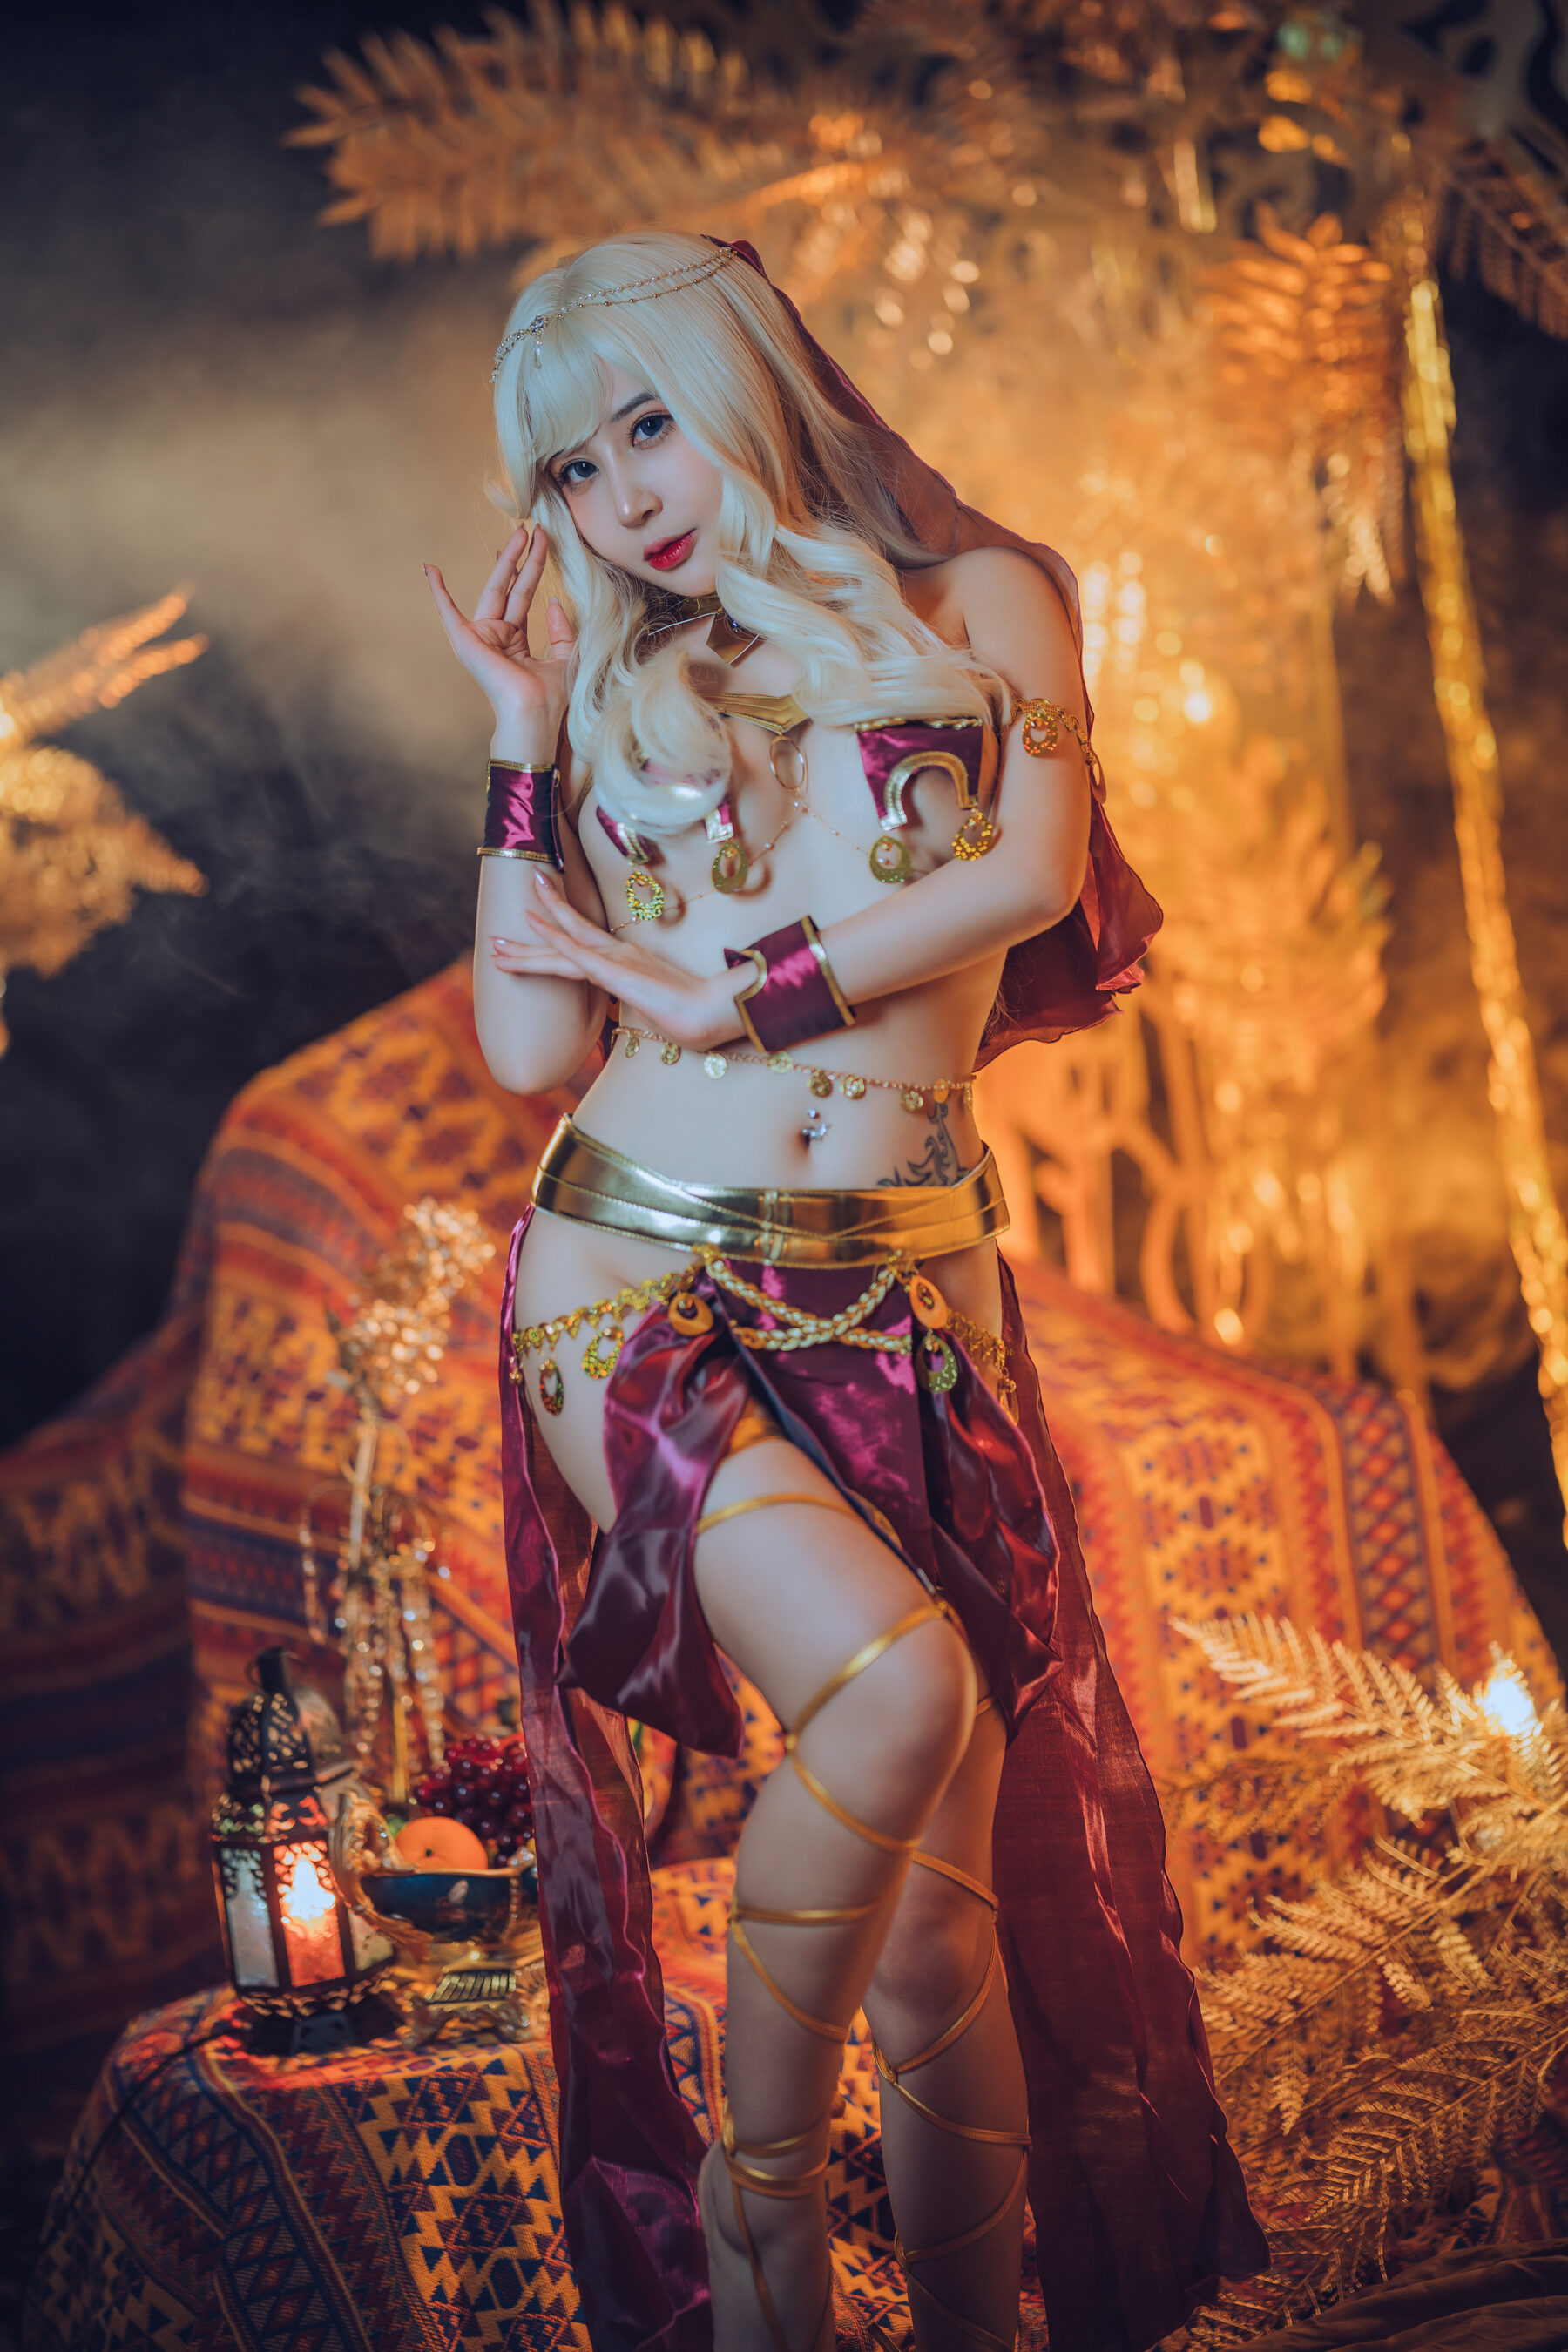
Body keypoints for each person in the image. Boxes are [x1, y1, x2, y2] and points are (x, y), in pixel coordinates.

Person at [427, 229, 1267, 2352]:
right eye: (573, 469)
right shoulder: (613, 679)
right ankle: (757, 2229)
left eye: (648, 424)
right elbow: (529, 1047)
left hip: (904, 1296)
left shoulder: (987, 605)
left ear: (748, 381)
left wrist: (746, 988)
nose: (624, 495)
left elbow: (1031, 874)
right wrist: (520, 740)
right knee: (899, 1698)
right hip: (635, 1277)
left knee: (943, 1912)